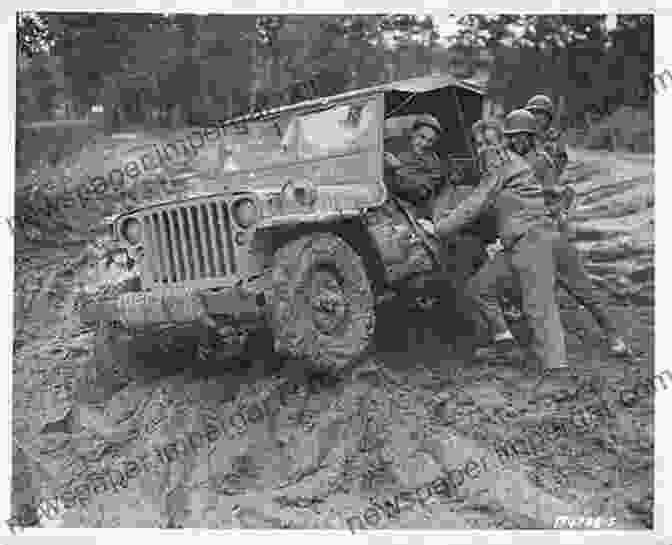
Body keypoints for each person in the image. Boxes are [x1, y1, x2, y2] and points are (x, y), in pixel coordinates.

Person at [436, 109, 577, 399]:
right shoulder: (500, 166)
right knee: (479, 288)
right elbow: (482, 201)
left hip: (533, 240)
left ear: (503, 142)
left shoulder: (504, 165)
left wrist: (438, 228)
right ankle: (504, 342)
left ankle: (558, 375)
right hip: (514, 245)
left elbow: (476, 203)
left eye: (491, 141)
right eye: (479, 142)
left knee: (539, 307)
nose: (485, 147)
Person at [383, 114, 446, 220]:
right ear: (413, 133)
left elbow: (420, 193)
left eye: (430, 141)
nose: (424, 144)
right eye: (422, 137)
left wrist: (399, 169)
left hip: (409, 212)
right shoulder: (394, 146)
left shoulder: (434, 164)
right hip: (382, 202)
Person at [524, 94, 569, 177]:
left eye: (540, 113)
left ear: (548, 117)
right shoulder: (522, 135)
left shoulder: (555, 137)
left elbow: (560, 165)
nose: (536, 117)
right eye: (533, 113)